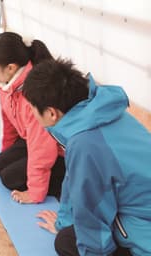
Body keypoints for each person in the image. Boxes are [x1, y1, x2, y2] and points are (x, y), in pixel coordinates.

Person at [23, 58, 151, 255]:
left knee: (66, 243)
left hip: (145, 237)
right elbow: (73, 181)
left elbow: (91, 216)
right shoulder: (101, 114)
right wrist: (63, 222)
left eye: (32, 106)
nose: (31, 112)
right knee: (67, 234)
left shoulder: (85, 144)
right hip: (140, 211)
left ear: (51, 113)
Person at [0, 32, 65, 204]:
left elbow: (43, 149)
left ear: (11, 68)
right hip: (32, 140)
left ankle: (66, 181)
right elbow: (9, 125)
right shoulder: (7, 86)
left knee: (9, 178)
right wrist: (5, 154)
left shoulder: (34, 95)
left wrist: (35, 193)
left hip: (61, 152)